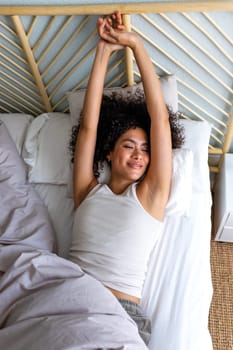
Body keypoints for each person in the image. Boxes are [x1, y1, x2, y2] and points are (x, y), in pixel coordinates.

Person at [69, 11, 184, 346]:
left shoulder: (152, 195)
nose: (138, 155)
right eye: (129, 146)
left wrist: (135, 44)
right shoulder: (86, 190)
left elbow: (159, 120)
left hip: (118, 312)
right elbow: (89, 126)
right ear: (108, 151)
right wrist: (102, 52)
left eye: (145, 150)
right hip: (67, 295)